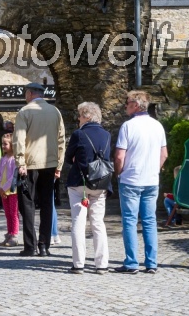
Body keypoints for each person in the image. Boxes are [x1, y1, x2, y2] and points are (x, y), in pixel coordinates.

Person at [114, 90, 168, 274]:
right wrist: (155, 169)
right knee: (149, 221)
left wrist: (118, 173)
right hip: (151, 180)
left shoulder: (128, 126)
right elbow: (164, 154)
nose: (125, 105)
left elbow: (120, 156)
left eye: (127, 102)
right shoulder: (158, 126)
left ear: (136, 105)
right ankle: (151, 263)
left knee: (129, 221)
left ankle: (131, 263)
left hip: (131, 179)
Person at [14, 82, 65, 257]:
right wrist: (59, 165)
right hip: (50, 163)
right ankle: (44, 245)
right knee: (46, 205)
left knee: (27, 205)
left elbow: (19, 140)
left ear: (29, 93)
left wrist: (20, 162)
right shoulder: (55, 112)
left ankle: (30, 245)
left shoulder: (25, 111)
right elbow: (61, 140)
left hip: (30, 164)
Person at [65, 102, 111, 274]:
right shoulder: (107, 134)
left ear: (87, 116)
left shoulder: (79, 134)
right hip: (100, 183)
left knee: (79, 222)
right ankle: (102, 264)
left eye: (80, 115)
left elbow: (69, 157)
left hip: (80, 183)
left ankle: (78, 264)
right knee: (98, 223)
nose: (78, 119)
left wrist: (77, 159)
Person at [0, 133, 19, 247]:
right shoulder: (3, 159)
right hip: (3, 191)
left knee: (13, 213)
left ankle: (14, 234)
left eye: (5, 144)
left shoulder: (14, 159)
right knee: (7, 214)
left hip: (12, 191)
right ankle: (9, 233)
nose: (3, 146)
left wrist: (4, 188)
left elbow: (12, 177)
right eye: (2, 144)